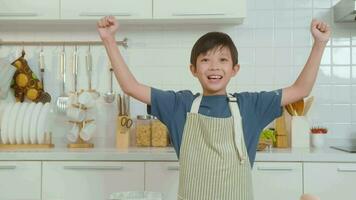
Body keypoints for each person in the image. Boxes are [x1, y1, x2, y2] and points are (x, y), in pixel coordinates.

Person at [97, 16, 331, 200]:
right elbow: (130, 86)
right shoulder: (180, 105)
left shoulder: (250, 105)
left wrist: (319, 44)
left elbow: (301, 89)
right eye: (205, 60)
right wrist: (109, 40)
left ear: (235, 69)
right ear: (193, 69)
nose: (213, 67)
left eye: (222, 60)